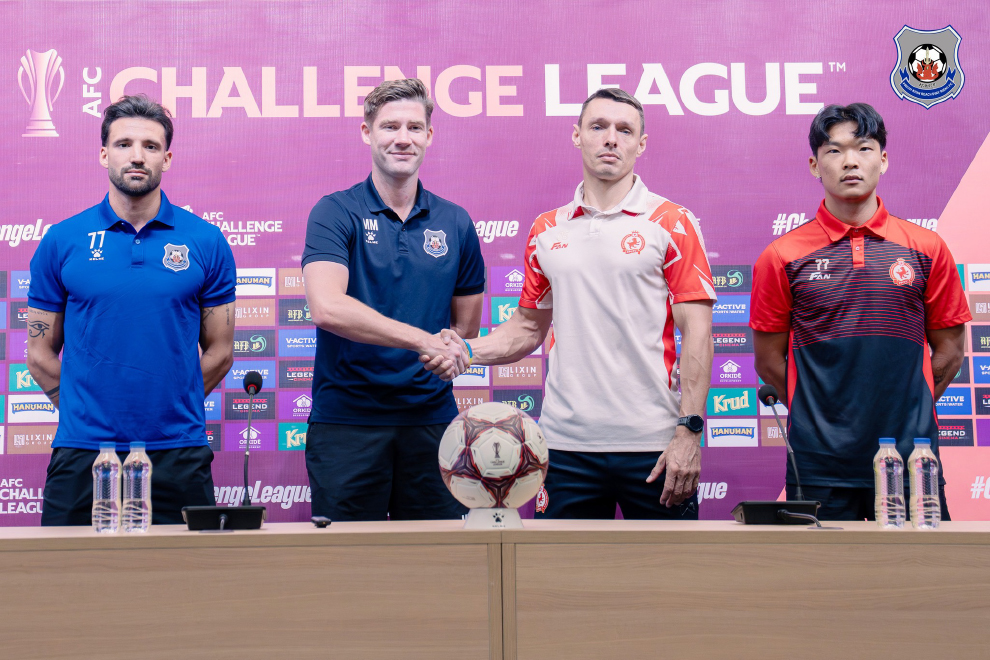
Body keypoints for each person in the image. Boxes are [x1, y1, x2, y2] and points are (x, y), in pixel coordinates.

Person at [428, 88, 715, 519]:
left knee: (667, 583)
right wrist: (466, 350)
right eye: (598, 127)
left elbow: (698, 333)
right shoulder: (547, 229)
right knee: (560, 585)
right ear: (577, 135)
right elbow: (527, 328)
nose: (611, 139)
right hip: (563, 446)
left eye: (624, 130)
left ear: (642, 143)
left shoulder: (672, 222)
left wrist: (689, 433)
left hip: (654, 445)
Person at [750, 103, 970, 520]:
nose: (850, 161)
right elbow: (767, 359)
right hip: (817, 463)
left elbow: (950, 353)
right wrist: (823, 414)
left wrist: (906, 405)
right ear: (815, 165)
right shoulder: (781, 255)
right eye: (834, 151)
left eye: (864, 148)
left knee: (920, 578)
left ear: (883, 159)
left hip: (911, 458)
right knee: (823, 585)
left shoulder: (927, 248)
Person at [28, 95, 236, 526]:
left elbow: (220, 350)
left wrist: (173, 406)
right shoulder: (62, 241)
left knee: (187, 587)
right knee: (65, 585)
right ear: (104, 153)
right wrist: (79, 410)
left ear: (168, 157)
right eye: (123, 144)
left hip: (178, 451)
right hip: (84, 451)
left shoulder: (207, 241)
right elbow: (40, 352)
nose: (137, 156)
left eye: (151, 146)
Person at [302, 78, 485, 522]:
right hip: (346, 423)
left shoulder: (455, 221)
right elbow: (327, 306)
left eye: (414, 127)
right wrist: (423, 340)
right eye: (389, 127)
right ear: (367, 132)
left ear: (429, 135)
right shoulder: (335, 211)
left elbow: (466, 329)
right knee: (346, 569)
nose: (402, 138)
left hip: (432, 423)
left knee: (433, 570)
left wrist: (450, 351)